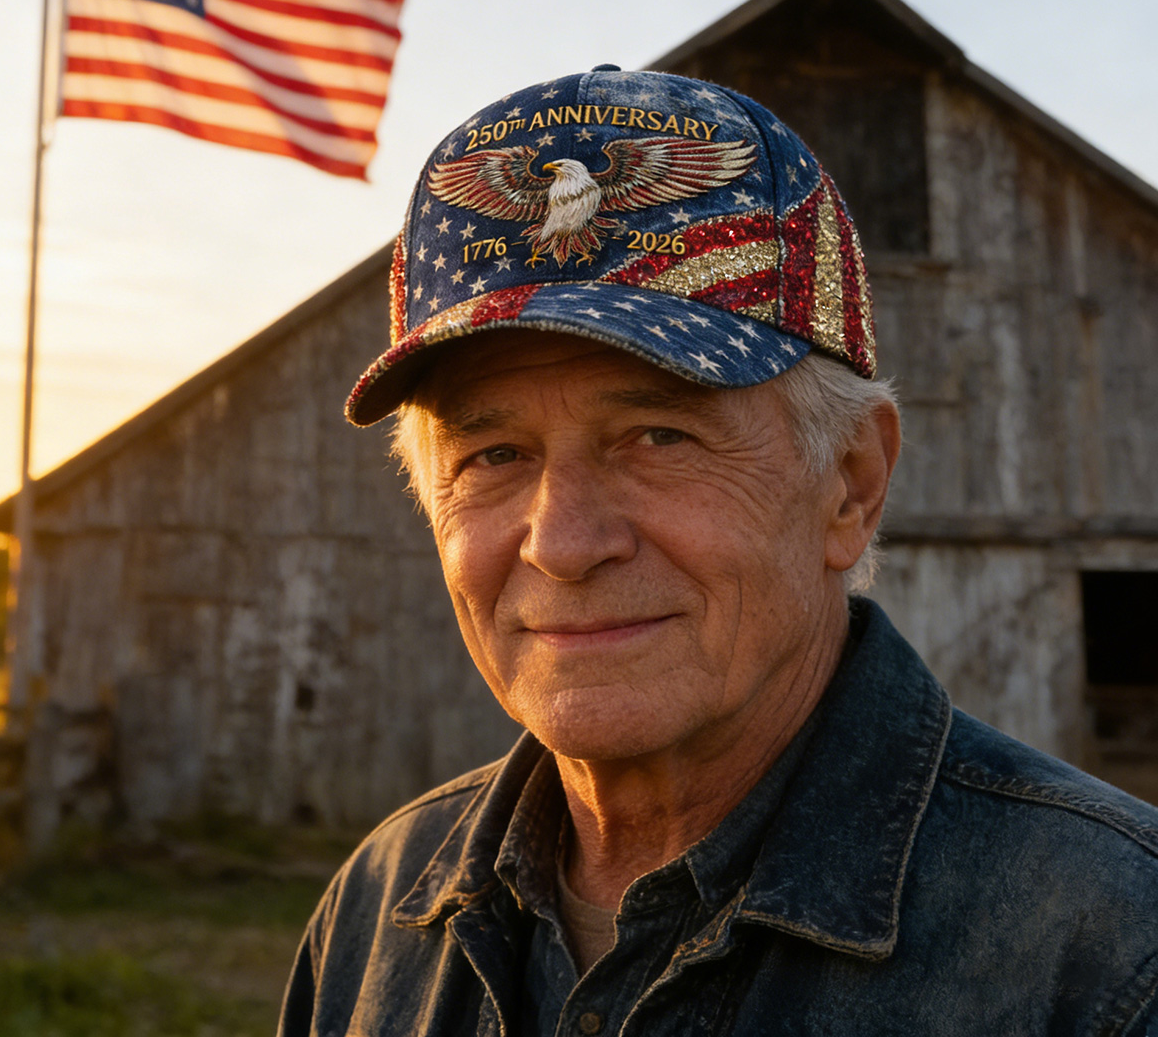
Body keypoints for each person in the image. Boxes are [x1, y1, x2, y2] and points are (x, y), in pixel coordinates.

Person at [278, 67, 1158, 1036]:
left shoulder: (1113, 948)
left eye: (661, 437)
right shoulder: (380, 905)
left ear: (850, 484)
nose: (565, 544)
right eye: (493, 454)